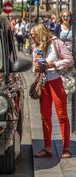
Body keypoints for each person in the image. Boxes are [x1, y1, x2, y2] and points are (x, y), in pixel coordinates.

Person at [30, 23, 74, 158]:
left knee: (61, 115)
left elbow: (70, 60)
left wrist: (54, 64)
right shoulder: (36, 48)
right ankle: (47, 147)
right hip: (43, 83)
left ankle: (66, 148)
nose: (32, 39)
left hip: (57, 81)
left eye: (34, 36)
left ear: (40, 34)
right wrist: (36, 67)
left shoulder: (56, 43)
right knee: (45, 116)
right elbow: (34, 66)